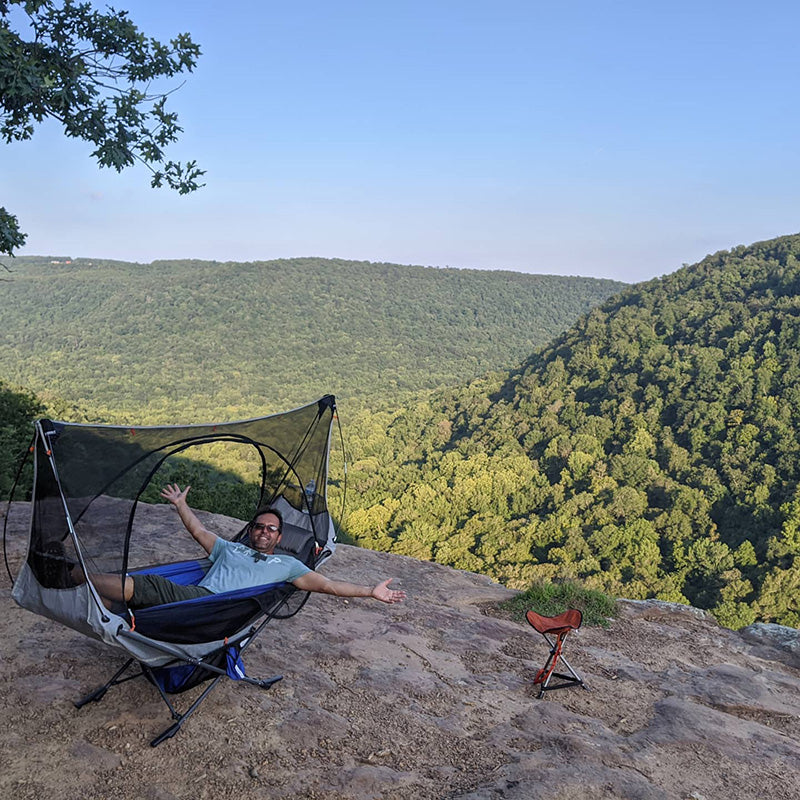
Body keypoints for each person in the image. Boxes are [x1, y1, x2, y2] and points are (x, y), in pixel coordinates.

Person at [83, 484, 407, 609]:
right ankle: (95, 602)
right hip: (196, 599)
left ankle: (75, 577)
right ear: (251, 531)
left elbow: (330, 585)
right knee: (143, 588)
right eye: (259, 527)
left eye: (272, 529)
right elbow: (198, 530)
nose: (264, 532)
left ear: (279, 538)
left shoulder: (289, 567)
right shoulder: (229, 548)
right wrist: (181, 504)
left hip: (213, 608)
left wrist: (370, 591)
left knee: (150, 585)